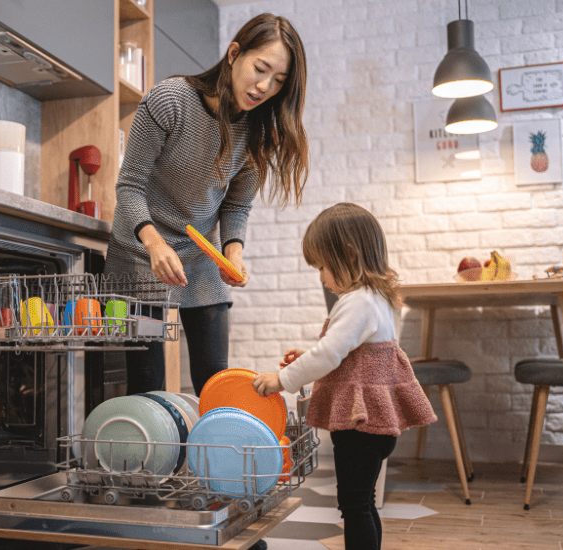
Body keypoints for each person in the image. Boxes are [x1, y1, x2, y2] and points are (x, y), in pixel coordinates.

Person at [103, 13, 309, 400]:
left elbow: (236, 206)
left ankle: (208, 461)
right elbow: (129, 187)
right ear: (234, 54)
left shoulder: (258, 132)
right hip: (139, 253)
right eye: (260, 69)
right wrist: (155, 244)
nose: (265, 87)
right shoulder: (170, 100)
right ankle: (154, 462)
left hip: (200, 258)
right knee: (148, 387)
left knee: (216, 383)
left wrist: (233, 253)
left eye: (279, 81)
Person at [252, 202, 437, 550]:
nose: (321, 276)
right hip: (374, 426)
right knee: (363, 503)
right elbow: (350, 355)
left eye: (322, 266)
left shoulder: (357, 302)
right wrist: (308, 357)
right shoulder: (377, 299)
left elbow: (330, 354)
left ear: (349, 257)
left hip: (360, 427)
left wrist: (282, 379)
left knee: (354, 507)